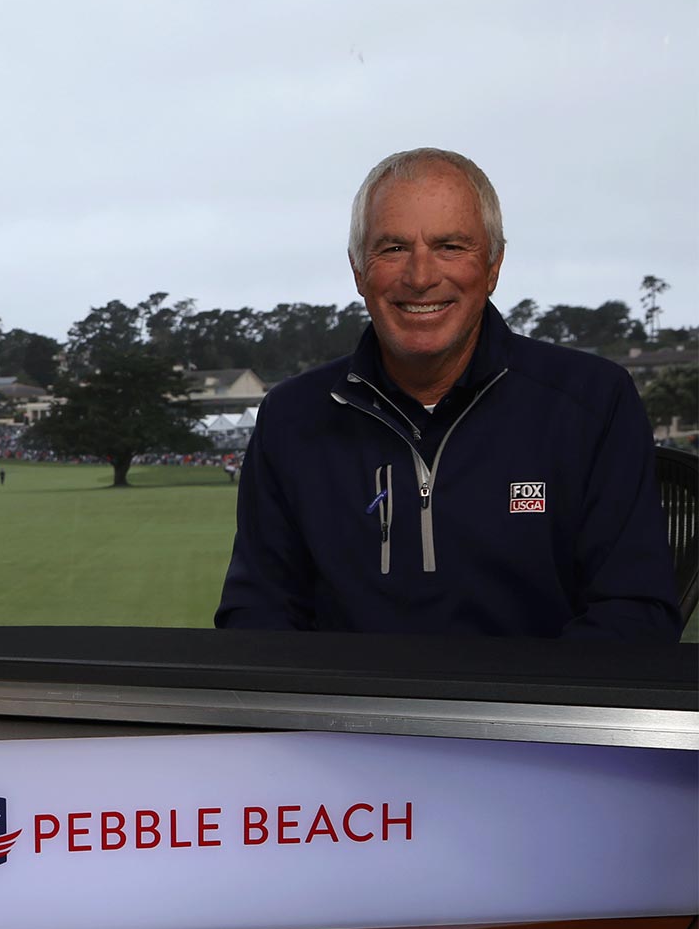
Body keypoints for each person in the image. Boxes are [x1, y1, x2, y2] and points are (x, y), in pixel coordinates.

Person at [216, 148, 678, 639]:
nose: (421, 277)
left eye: (450, 246)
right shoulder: (290, 418)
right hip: (346, 693)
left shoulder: (595, 402)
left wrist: (509, 692)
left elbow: (634, 614)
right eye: (393, 248)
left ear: (493, 265)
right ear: (358, 269)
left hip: (539, 692)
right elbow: (257, 615)